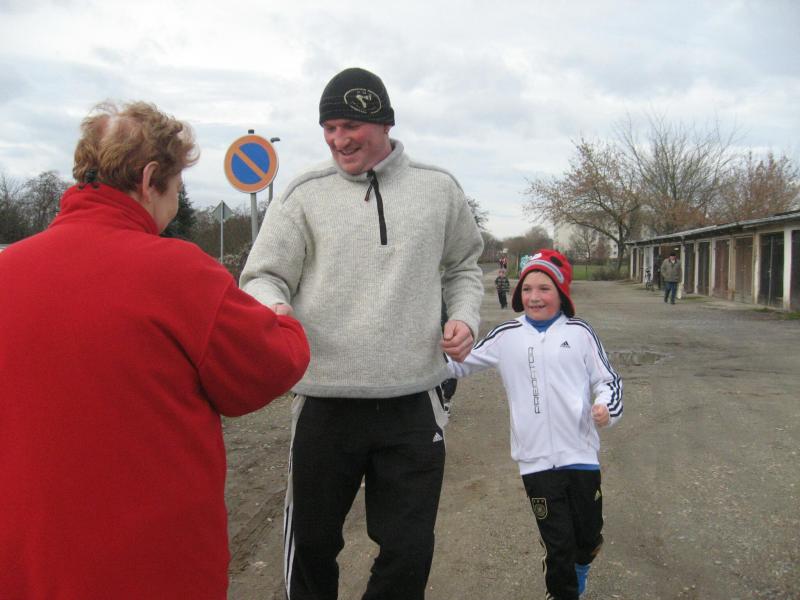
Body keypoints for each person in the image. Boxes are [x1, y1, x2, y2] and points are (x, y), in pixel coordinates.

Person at [0, 101, 310, 600]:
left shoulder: (8, 271)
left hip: (25, 562)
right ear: (149, 180)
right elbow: (268, 367)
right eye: (177, 185)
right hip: (148, 567)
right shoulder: (177, 272)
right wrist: (283, 319)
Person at [240, 67, 484, 600]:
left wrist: (465, 317)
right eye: (329, 128)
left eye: (350, 126)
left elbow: (464, 265)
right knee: (311, 547)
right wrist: (276, 309)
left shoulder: (439, 189)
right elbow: (262, 275)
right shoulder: (303, 193)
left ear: (385, 124)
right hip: (324, 403)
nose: (338, 140)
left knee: (409, 550)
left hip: (413, 402)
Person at [447, 249, 623, 599]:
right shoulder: (507, 335)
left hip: (580, 454)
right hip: (535, 460)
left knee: (587, 536)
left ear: (561, 293)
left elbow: (608, 381)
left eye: (544, 289)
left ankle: (582, 565)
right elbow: (458, 364)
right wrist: (431, 352)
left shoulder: (580, 332)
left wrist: (605, 407)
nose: (534, 297)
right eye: (527, 289)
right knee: (558, 543)